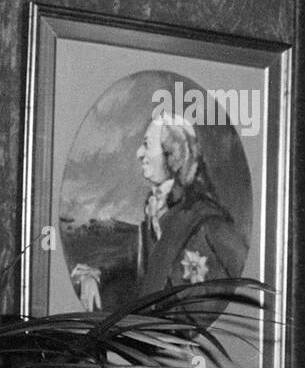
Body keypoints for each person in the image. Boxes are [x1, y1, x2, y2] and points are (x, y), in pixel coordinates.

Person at [71, 111, 247, 313]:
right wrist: (95, 275)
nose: (139, 153)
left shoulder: (205, 221)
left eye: (147, 145)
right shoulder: (155, 210)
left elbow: (219, 289)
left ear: (173, 155)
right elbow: (138, 264)